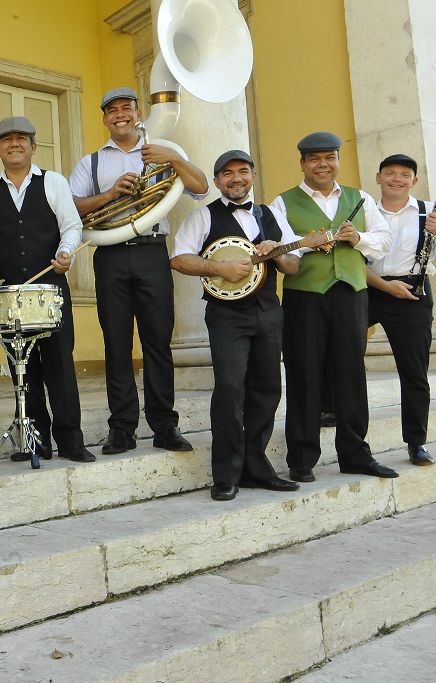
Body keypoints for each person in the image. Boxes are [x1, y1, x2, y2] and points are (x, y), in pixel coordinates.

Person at [68, 87, 208, 455]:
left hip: (151, 253)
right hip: (110, 254)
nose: (120, 115)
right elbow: (72, 209)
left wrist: (173, 159)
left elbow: (201, 187)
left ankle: (165, 426)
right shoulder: (91, 163)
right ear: (105, 119)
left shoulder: (163, 151)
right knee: (116, 345)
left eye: (126, 109)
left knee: (158, 344)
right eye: (111, 110)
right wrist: (112, 194)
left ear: (137, 114)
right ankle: (122, 429)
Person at [170, 150, 303, 500]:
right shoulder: (202, 217)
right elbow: (179, 258)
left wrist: (279, 251)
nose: (235, 178)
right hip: (226, 316)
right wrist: (219, 268)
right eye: (226, 174)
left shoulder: (272, 215)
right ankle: (225, 475)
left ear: (253, 177)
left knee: (267, 388)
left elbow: (292, 266)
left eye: (242, 171)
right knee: (230, 390)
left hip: (268, 311)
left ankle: (256, 468)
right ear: (216, 182)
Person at [0, 116, 97, 464]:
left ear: (33, 146)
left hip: (50, 289)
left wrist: (65, 251)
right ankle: (36, 441)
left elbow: (72, 226)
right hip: (10, 294)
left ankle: (71, 441)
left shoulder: (53, 182)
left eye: (22, 138)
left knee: (59, 365)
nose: (14, 144)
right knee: (24, 369)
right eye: (6, 139)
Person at [270, 131, 395, 483]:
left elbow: (384, 240)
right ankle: (302, 459)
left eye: (329, 158)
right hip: (304, 296)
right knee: (303, 374)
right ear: (303, 164)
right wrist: (310, 245)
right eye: (314, 159)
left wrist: (359, 238)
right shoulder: (283, 202)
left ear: (337, 161)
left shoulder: (361, 199)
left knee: (351, 374)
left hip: (351, 294)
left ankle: (356, 454)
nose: (322, 165)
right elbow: (280, 249)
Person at [368, 154, 436, 466]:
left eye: (404, 175)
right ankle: (345, 428)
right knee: (341, 357)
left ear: (413, 181)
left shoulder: (431, 212)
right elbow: (354, 262)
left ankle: (416, 442)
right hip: (369, 288)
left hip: (413, 293)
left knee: (414, 373)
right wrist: (385, 287)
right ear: (378, 177)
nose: (396, 179)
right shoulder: (365, 212)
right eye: (389, 173)